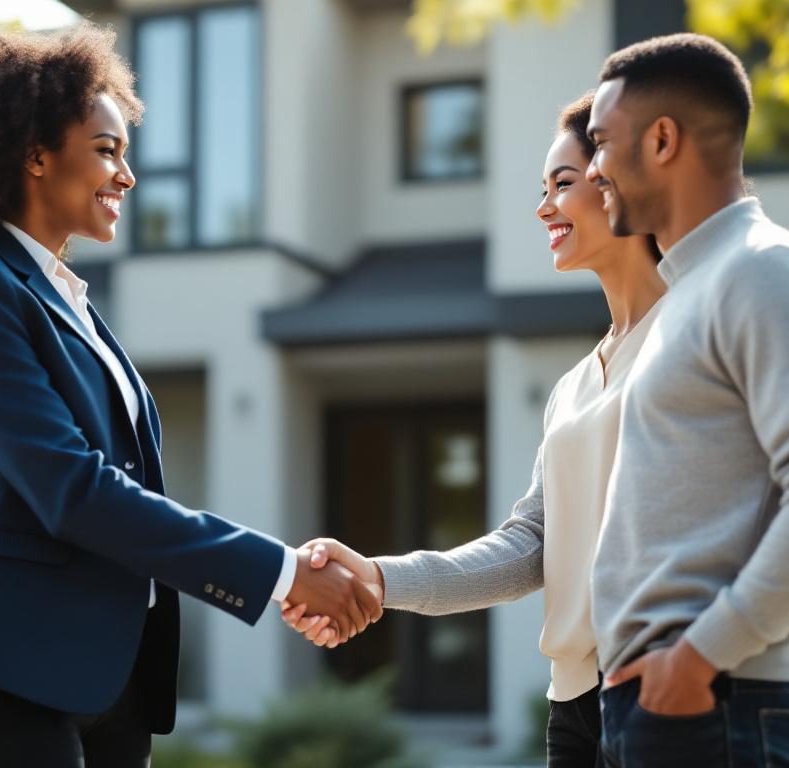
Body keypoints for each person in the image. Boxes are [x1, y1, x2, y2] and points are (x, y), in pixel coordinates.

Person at [0, 24, 380, 767]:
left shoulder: (74, 303)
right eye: (106, 150)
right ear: (34, 155)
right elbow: (72, 487)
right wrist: (278, 573)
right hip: (0, 674)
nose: (127, 176)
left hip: (108, 680)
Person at [281, 91, 667, 767]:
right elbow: (528, 549)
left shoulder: (696, 337)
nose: (545, 207)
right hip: (575, 708)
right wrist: (376, 576)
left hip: (667, 700)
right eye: (542, 189)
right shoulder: (574, 386)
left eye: (564, 184)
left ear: (621, 182)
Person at [581, 33, 789, 767]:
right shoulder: (690, 294)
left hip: (719, 702)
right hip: (671, 704)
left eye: (600, 143)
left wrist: (696, 659)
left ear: (662, 140)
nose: (592, 171)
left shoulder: (766, 272)